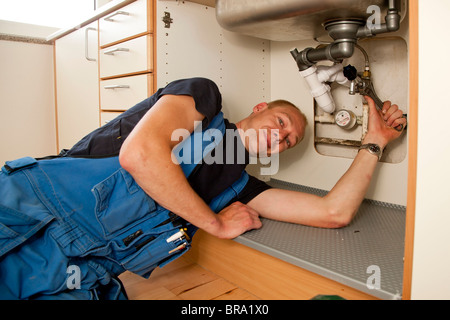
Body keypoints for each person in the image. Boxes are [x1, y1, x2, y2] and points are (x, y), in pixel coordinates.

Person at [0, 77, 406, 299]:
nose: (281, 138)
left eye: (289, 142)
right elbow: (139, 156)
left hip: (82, 269)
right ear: (260, 109)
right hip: (34, 208)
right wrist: (214, 224)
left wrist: (374, 141)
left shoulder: (242, 189)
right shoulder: (203, 98)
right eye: (281, 124)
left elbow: (333, 212)